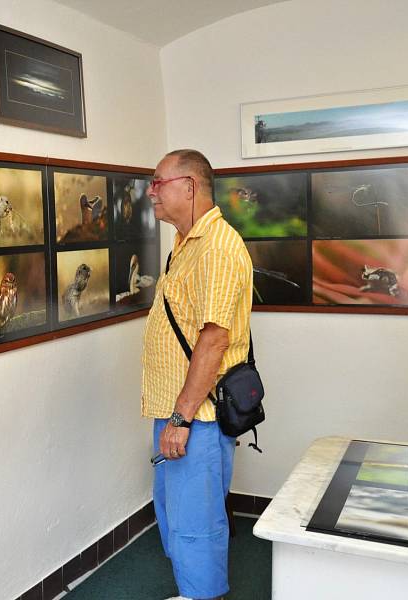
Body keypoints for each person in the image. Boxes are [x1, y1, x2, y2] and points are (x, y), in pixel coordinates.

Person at [141, 149, 253, 600]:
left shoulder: (221, 247)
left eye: (157, 182)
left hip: (197, 417)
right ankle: (193, 591)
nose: (150, 191)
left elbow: (213, 340)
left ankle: (203, 595)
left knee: (197, 521)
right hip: (177, 411)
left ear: (189, 186)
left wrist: (182, 419)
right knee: (176, 512)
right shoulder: (188, 242)